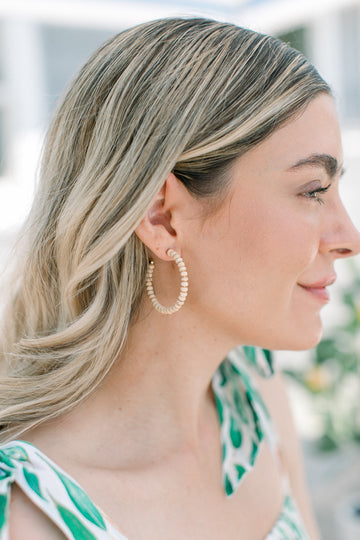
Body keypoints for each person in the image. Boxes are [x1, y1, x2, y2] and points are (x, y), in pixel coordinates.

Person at [0, 16, 358, 540]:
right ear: (162, 218)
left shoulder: (255, 393)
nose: (348, 236)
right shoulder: (30, 514)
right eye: (312, 190)